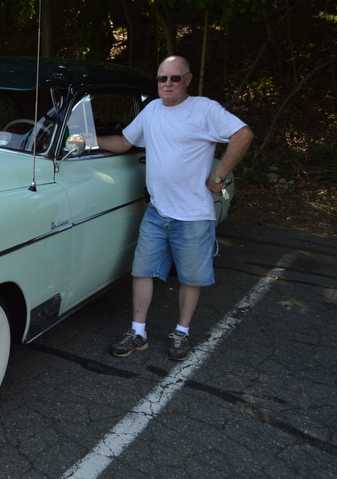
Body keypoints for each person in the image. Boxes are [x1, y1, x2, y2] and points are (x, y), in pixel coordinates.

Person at [98, 55, 254, 361]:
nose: (168, 84)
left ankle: (181, 333)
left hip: (194, 216)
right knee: (141, 271)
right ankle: (138, 332)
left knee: (189, 278)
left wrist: (219, 173)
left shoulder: (204, 109)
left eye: (175, 78)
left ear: (188, 80)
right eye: (162, 79)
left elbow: (243, 134)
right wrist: (86, 138)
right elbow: (124, 143)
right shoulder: (152, 110)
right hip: (157, 212)